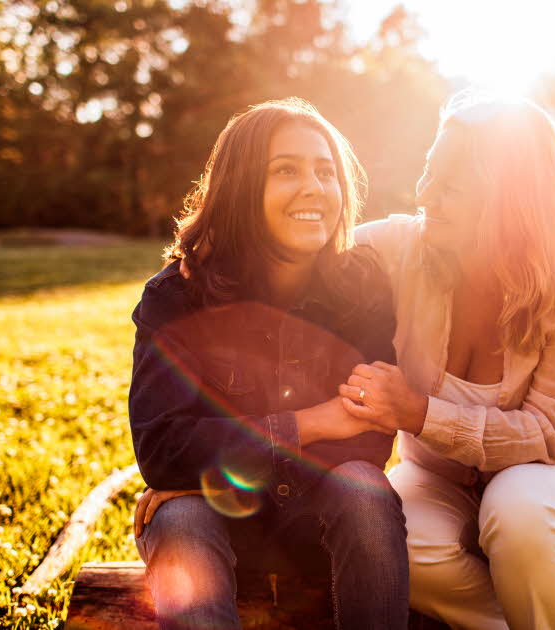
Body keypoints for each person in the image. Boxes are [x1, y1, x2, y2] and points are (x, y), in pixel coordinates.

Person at [337, 93, 555, 629]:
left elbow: (546, 434)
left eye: (452, 184)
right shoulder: (403, 247)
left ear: (511, 200)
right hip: (440, 481)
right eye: (429, 172)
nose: (427, 194)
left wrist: (419, 413)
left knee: (520, 508)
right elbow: (306, 251)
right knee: (386, 528)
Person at [128, 98, 409, 630]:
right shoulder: (176, 296)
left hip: (320, 526)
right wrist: (311, 423)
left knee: (363, 490)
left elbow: (367, 439)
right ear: (239, 185)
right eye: (286, 169)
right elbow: (162, 449)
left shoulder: (361, 287)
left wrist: (213, 462)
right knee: (182, 515)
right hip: (212, 524)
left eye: (326, 172)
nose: (314, 187)